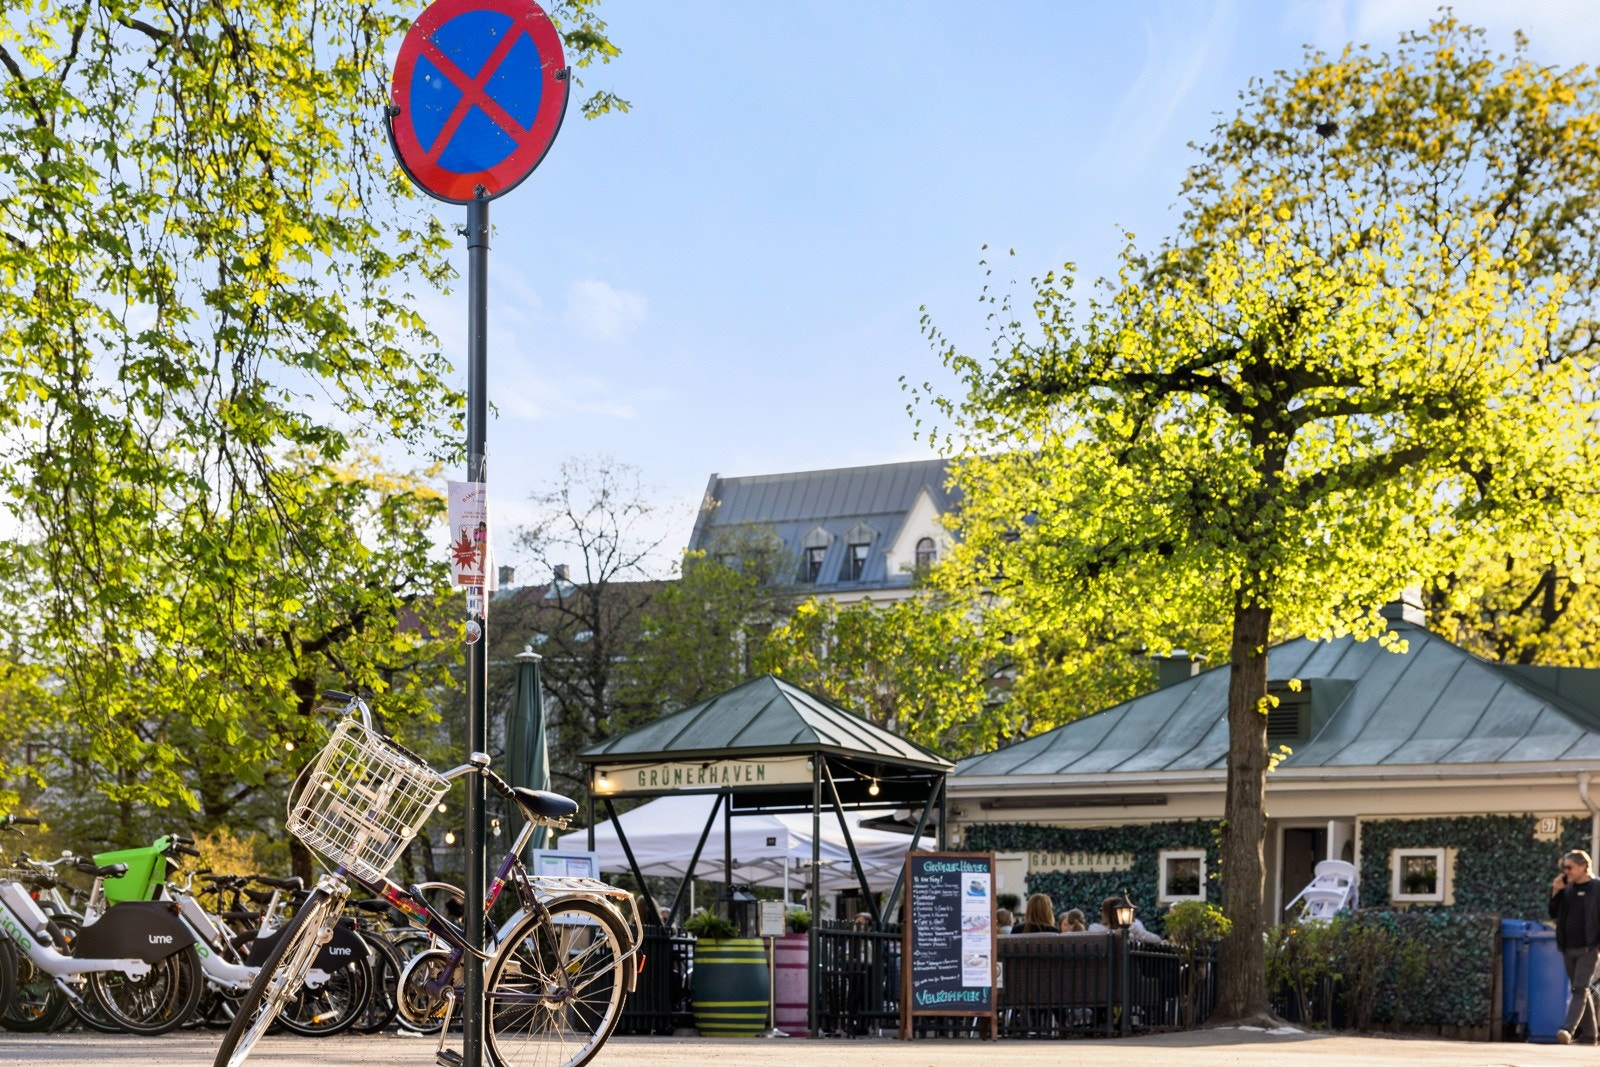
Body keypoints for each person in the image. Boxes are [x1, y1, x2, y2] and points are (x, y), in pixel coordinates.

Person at [1550, 849, 1600, 1045]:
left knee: (1580, 988)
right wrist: (1555, 891)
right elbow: (1553, 912)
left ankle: (1567, 1029)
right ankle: (1590, 1036)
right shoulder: (1567, 889)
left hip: (1590, 948)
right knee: (1582, 989)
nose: (1566, 871)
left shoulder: (1597, 888)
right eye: (1564, 868)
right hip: (1568, 947)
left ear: (1583, 866)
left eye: (1569, 867)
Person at [1088, 895, 1162, 943]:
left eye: (1102, 910)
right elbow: (1156, 939)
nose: (1101, 913)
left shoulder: (1095, 929)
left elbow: (1156, 939)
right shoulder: (1132, 929)